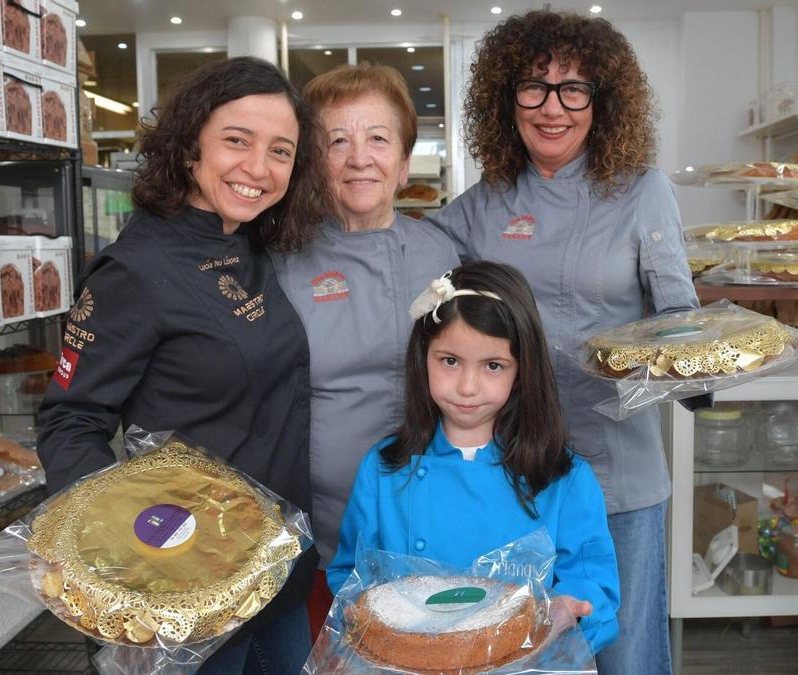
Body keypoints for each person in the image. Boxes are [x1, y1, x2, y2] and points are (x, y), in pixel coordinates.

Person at [36, 56, 331, 675]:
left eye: (281, 150)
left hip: (277, 570)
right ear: (189, 145)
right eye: (236, 141)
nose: (258, 167)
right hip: (192, 590)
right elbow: (70, 422)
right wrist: (125, 553)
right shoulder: (135, 271)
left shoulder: (253, 242)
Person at [429, 11, 700, 674]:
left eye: (574, 88)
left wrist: (703, 366)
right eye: (535, 88)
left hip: (618, 476)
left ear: (602, 101)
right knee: (517, 652)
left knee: (625, 654)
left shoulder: (643, 192)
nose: (553, 108)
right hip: (514, 475)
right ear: (507, 98)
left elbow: (681, 319)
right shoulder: (482, 203)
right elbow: (408, 269)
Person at [327, 261, 620, 654]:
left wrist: (570, 611)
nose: (467, 387)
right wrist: (364, 617)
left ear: (522, 371)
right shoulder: (384, 470)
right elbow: (351, 579)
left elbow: (591, 585)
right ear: (422, 357)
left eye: (493, 366)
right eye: (449, 361)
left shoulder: (562, 478)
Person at [270, 63, 460, 631]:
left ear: (403, 164)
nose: (359, 158)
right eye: (337, 141)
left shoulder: (443, 252)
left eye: (378, 139)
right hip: (323, 537)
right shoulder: (280, 263)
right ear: (312, 163)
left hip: (439, 524)